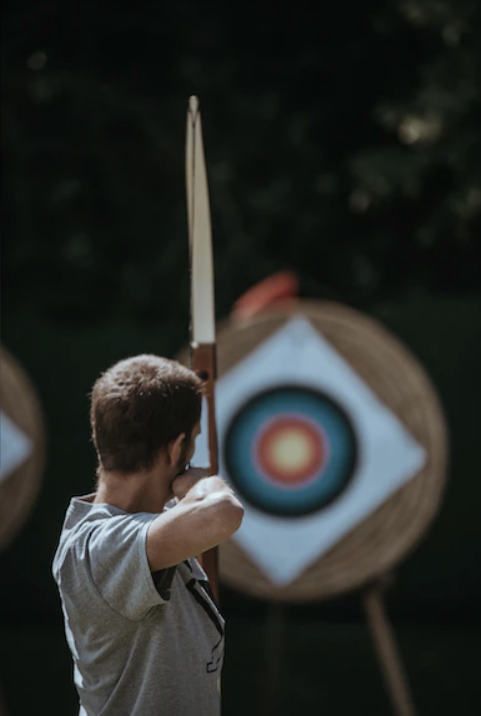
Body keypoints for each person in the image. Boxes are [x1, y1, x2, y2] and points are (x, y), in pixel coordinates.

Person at [52, 354, 244, 716]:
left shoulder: (156, 524)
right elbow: (223, 513)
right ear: (177, 447)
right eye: (193, 441)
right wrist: (203, 483)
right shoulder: (96, 547)